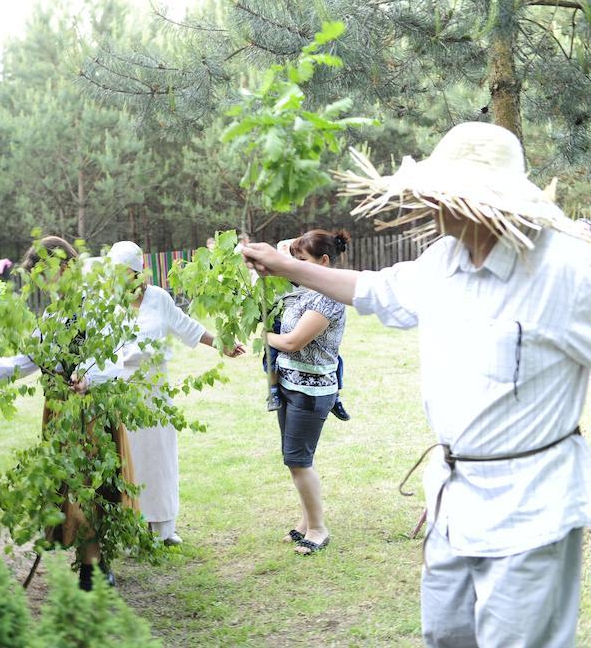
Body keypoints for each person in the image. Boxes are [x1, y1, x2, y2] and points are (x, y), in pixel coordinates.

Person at [243, 122, 591, 646]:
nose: (431, 204)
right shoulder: (442, 262)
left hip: (530, 513)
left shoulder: (567, 271)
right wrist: (282, 265)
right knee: (446, 635)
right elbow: (372, 289)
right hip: (453, 500)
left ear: (480, 198)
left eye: (443, 193)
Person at [0, 235, 135, 590]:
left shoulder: (96, 304)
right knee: (68, 486)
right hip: (60, 410)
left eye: (43, 275)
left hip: (92, 410)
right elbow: (33, 357)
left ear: (64, 267)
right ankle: (87, 558)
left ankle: (95, 564)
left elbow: (115, 359)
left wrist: (87, 379)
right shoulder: (53, 314)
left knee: (91, 485)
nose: (41, 284)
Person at [106, 241, 244, 546]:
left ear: (138, 271)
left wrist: (221, 343)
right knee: (127, 460)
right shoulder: (106, 304)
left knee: (159, 457)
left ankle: (163, 527)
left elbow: (187, 327)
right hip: (119, 390)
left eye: (124, 272)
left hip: (154, 390)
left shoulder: (158, 299)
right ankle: (130, 528)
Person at [262, 230, 350, 556]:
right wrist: (287, 253)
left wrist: (261, 335)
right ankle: (305, 522)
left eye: (304, 261)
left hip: (311, 391)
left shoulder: (328, 297)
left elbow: (292, 342)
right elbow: (281, 251)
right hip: (289, 385)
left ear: (323, 262)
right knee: (294, 461)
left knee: (299, 461)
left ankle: (317, 529)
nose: (296, 267)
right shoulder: (304, 290)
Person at [263, 238, 351, 422]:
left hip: (304, 325)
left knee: (336, 360)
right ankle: (273, 390)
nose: (294, 263)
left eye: (300, 259)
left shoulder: (315, 284)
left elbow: (293, 342)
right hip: (282, 320)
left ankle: (335, 395)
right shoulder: (279, 279)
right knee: (271, 356)